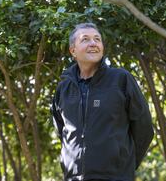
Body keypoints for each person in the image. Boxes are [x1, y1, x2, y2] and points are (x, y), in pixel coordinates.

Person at [51, 23, 154, 181]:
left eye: (97, 39)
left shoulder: (121, 79)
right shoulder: (64, 88)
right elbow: (62, 131)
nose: (93, 43)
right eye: (85, 39)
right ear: (73, 51)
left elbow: (144, 128)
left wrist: (125, 166)